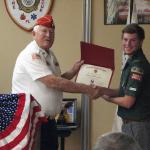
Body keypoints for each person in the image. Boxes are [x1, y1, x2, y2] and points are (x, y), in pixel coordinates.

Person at [11, 15, 102, 150]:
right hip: (32, 122)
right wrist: (87, 89)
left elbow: (57, 80)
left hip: (49, 121)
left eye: (52, 32)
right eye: (44, 31)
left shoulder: (49, 54)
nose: (49, 35)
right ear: (34, 33)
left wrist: (73, 71)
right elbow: (52, 82)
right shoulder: (31, 54)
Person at [99, 23, 150, 150]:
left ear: (141, 41)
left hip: (137, 126)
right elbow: (122, 91)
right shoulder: (131, 61)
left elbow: (128, 101)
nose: (128, 44)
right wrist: (101, 90)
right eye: (125, 39)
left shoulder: (137, 66)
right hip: (131, 124)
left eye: (133, 40)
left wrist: (107, 98)